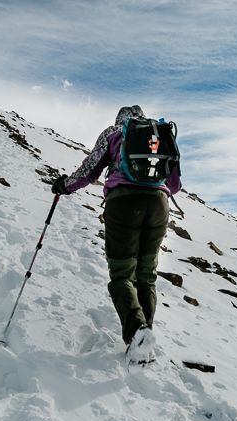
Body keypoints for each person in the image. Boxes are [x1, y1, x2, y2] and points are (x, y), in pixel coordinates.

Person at [52, 105, 181, 362]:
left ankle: (137, 333)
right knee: (146, 276)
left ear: (120, 119)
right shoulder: (160, 135)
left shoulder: (114, 132)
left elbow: (89, 171)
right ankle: (144, 342)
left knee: (122, 273)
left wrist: (64, 186)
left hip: (123, 204)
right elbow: (174, 185)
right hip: (159, 205)